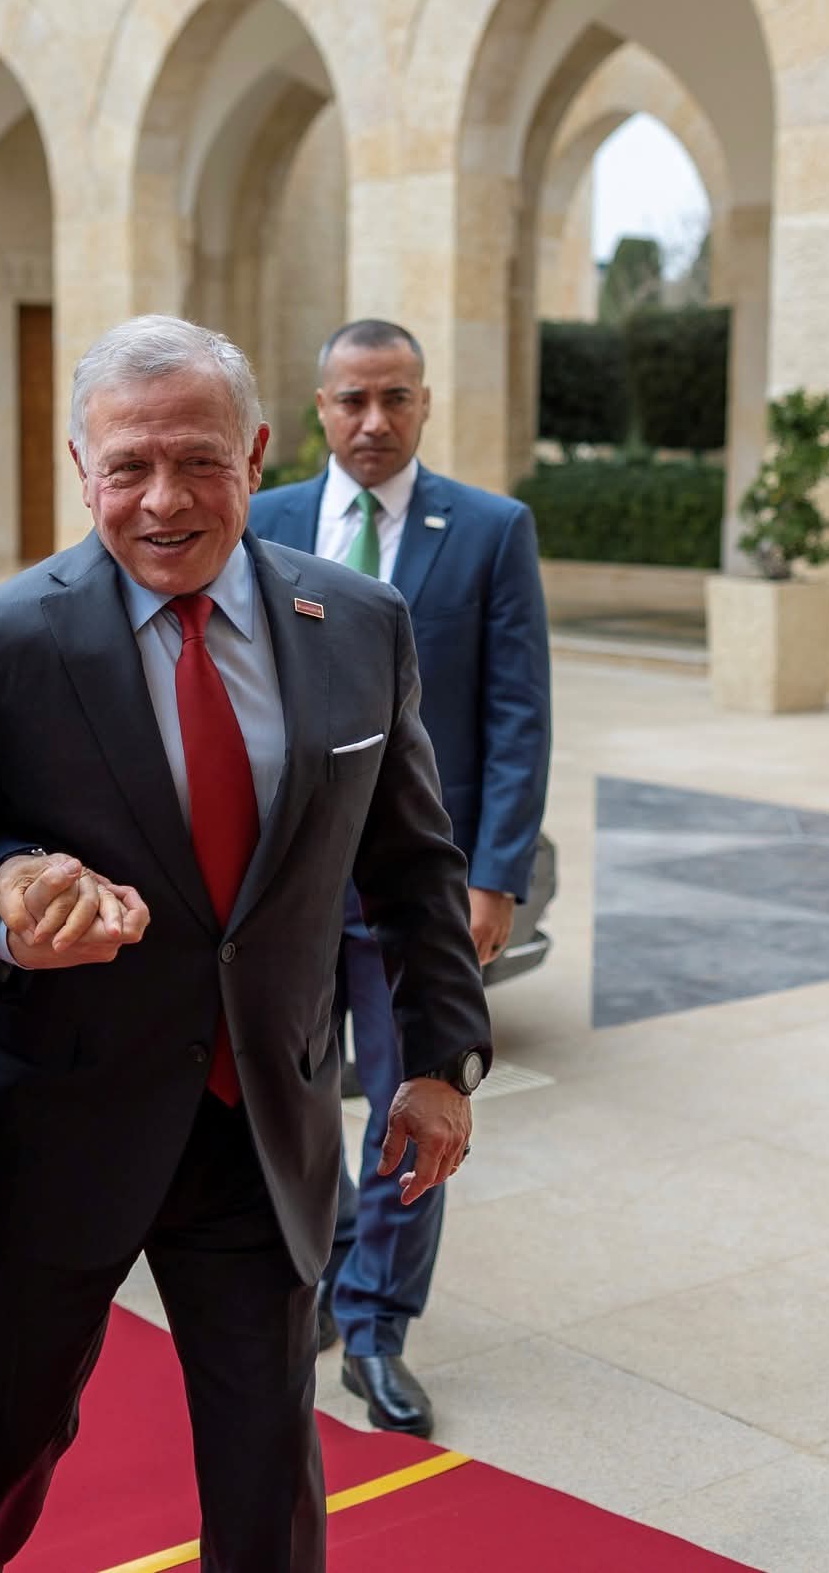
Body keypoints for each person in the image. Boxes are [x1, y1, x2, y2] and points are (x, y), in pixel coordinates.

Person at [0, 314, 492, 1573]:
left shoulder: (359, 622)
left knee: (264, 1469)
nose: (163, 500)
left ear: (257, 452)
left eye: (197, 461)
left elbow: (412, 861)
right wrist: (7, 899)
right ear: (81, 467)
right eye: (127, 466)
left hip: (260, 1126)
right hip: (54, 1133)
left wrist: (438, 1061)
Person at [250, 318, 552, 1437]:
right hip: (284, 884)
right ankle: (328, 1262)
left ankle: (377, 1325)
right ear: (319, 408)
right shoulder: (264, 521)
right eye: (352, 399)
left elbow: (517, 714)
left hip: (415, 887)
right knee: (286, 1095)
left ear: (423, 403)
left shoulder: (489, 530)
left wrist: (496, 875)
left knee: (414, 1098)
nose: (372, 421)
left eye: (395, 398)